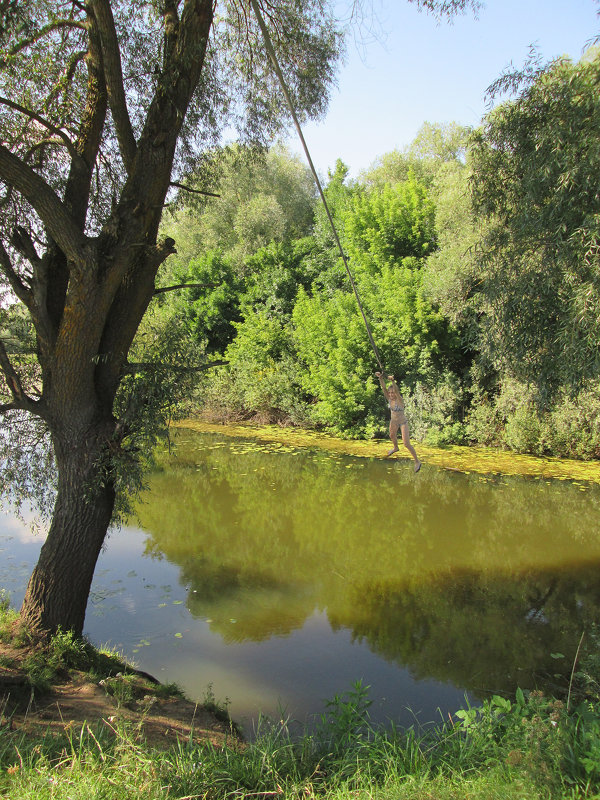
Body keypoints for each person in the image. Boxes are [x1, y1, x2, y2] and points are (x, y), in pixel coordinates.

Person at [375, 372, 421, 472]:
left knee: (406, 443)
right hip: (393, 421)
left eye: (392, 393)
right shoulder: (389, 399)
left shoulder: (399, 400)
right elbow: (383, 388)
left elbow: (396, 389)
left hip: (402, 422)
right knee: (391, 435)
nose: (391, 394)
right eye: (390, 393)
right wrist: (380, 378)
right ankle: (395, 448)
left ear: (396, 393)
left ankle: (417, 461)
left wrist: (392, 380)